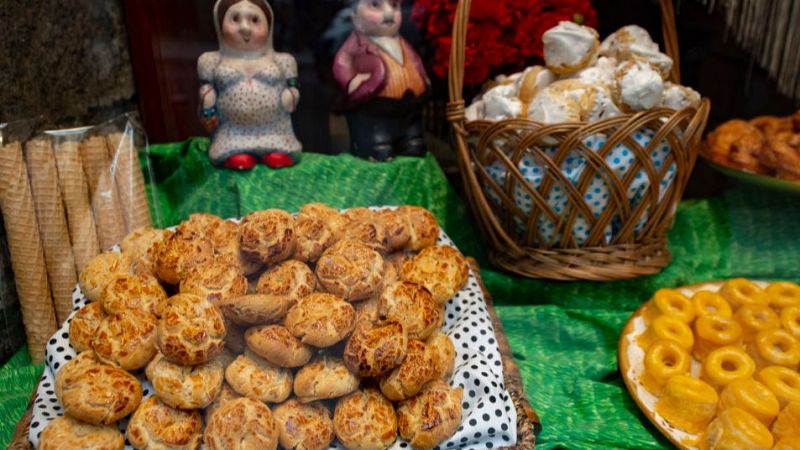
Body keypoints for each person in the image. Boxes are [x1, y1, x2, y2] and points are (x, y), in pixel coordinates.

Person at [198, 0, 302, 170]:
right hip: (232, 132)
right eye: (235, 19)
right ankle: (235, 152)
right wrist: (207, 101)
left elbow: (293, 87)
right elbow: (206, 88)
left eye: (254, 20)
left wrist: (291, 95)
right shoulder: (210, 61)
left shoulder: (283, 61)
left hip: (275, 129)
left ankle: (277, 149)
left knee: (280, 149)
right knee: (232, 152)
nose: (245, 28)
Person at [333, 0, 430, 161]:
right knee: (377, 136)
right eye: (375, 5)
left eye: (394, 5)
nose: (389, 13)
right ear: (355, 17)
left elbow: (415, 61)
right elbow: (342, 63)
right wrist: (351, 81)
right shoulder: (356, 45)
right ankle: (376, 144)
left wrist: (423, 79)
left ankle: (409, 140)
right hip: (374, 108)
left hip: (409, 106)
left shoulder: (403, 43)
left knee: (413, 136)